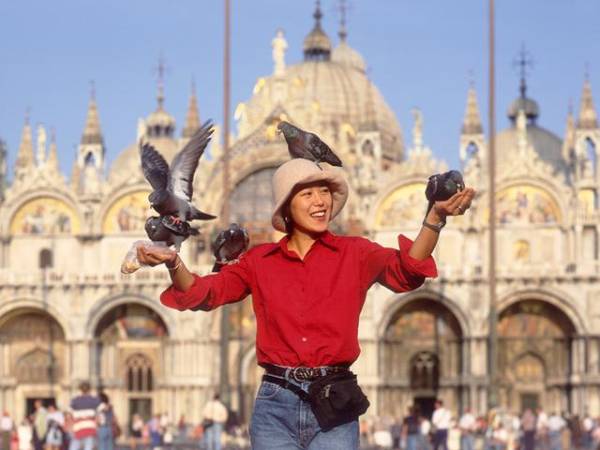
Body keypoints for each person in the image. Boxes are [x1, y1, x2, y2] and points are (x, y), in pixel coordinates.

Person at [138, 158, 475, 450]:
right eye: (308, 193)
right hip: (275, 403)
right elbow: (203, 294)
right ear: (286, 205)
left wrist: (435, 218)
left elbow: (407, 271)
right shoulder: (259, 261)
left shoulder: (356, 253)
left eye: (325, 192)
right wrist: (173, 261)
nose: (320, 201)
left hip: (334, 401)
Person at [68, 381, 100, 450]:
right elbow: (98, 415)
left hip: (78, 427)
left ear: (80, 390)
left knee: (74, 446)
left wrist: (71, 426)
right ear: (89, 390)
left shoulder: (74, 401)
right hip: (90, 427)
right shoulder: (95, 400)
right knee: (88, 447)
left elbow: (69, 415)